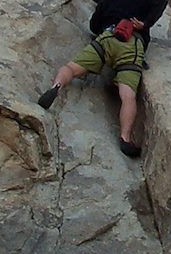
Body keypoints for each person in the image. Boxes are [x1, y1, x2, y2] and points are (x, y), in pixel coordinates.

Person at [43, 19, 147, 157]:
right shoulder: (147, 0)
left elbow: (95, 22)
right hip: (131, 44)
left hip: (108, 36)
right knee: (128, 96)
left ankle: (56, 87)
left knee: (71, 68)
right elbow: (159, 7)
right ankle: (125, 138)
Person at [89, 0, 168, 56]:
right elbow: (163, 1)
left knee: (74, 68)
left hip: (106, 40)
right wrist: (146, 23)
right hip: (133, 44)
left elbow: (93, 26)